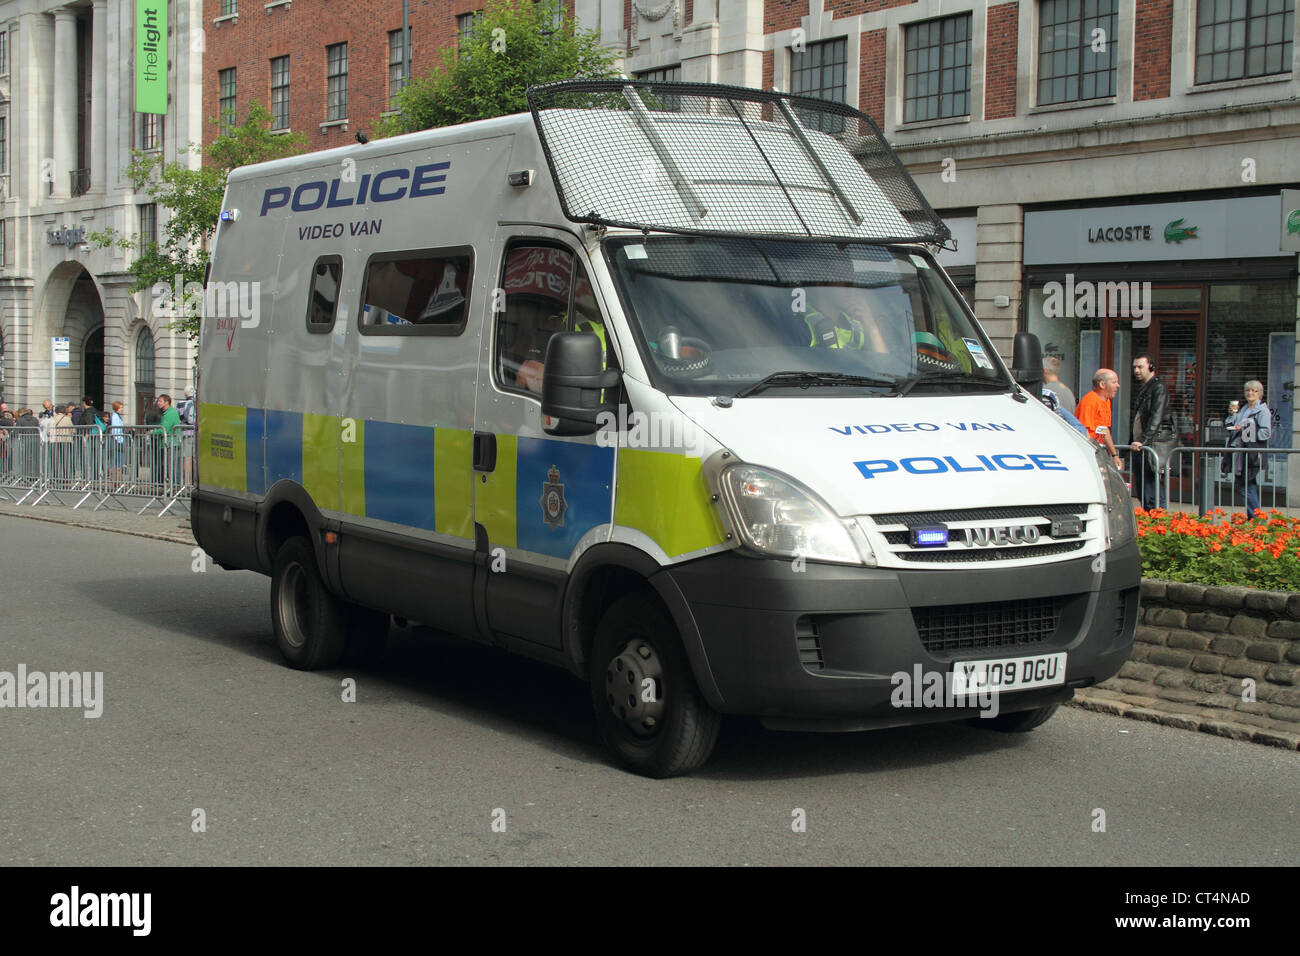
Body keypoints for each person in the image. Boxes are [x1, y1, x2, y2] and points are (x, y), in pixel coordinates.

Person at [1129, 353, 1176, 511]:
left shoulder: (1158, 387)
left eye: (1140, 367)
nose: (1137, 370)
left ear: (1151, 367)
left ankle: (1158, 523)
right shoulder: (1145, 388)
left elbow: (1156, 417)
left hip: (1150, 445)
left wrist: (1143, 440)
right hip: (1142, 445)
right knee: (1144, 490)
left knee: (1152, 490)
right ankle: (1152, 521)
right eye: (1135, 367)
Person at [1228, 380, 1271, 519]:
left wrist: (1247, 430)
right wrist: (1232, 416)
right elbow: (1232, 425)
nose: (1250, 393)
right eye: (1248, 390)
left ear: (1260, 394)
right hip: (1241, 453)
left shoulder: (1262, 410)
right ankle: (1254, 518)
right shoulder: (1244, 409)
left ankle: (1257, 519)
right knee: (1245, 485)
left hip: (1252, 454)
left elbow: (1266, 433)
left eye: (1254, 391)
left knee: (1246, 485)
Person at [1075, 369, 1123, 470]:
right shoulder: (1090, 402)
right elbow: (1083, 432)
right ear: (1102, 384)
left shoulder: (1106, 401)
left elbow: (1104, 429)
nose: (1117, 385)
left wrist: (1114, 455)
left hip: (1097, 452)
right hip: (1088, 453)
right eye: (1114, 382)